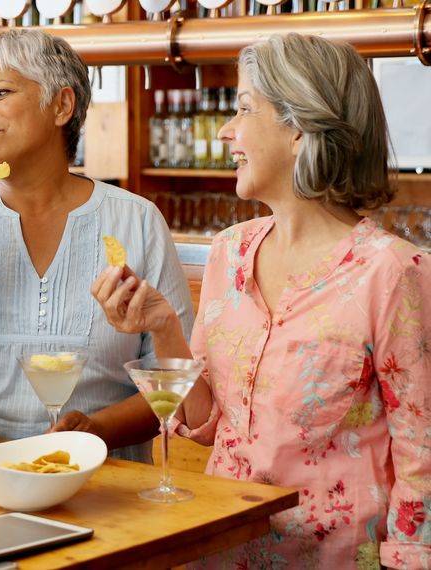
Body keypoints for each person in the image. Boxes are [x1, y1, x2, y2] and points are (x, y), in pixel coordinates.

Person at [92, 33, 431, 567]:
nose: (227, 130)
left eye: (244, 108)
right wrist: (162, 326)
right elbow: (207, 424)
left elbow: (423, 453)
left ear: (300, 128)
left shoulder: (392, 272)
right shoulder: (230, 251)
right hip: (221, 549)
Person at [0, 28, 194, 462]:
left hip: (111, 488)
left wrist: (97, 431)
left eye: (0, 92)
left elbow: (174, 384)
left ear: (61, 105)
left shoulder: (136, 219)